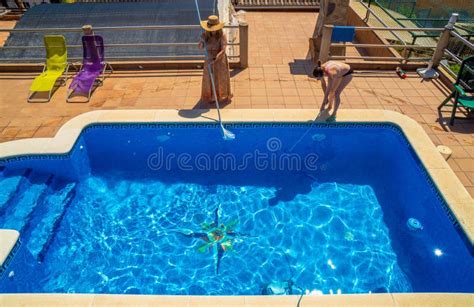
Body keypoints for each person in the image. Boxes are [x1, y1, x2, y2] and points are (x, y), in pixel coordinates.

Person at [198, 15, 233, 104]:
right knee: (210, 78)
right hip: (209, 60)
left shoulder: (222, 35)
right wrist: (201, 43)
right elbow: (201, 46)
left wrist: (216, 58)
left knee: (219, 79)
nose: (213, 31)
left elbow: (223, 49)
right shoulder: (205, 35)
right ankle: (212, 97)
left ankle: (220, 96)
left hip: (219, 60)